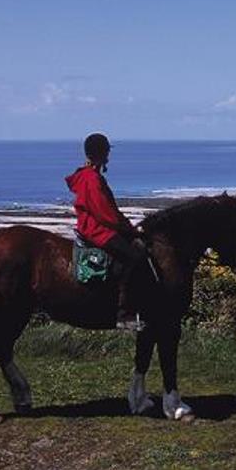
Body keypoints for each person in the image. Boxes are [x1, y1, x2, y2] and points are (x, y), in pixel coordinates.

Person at [65, 133, 146, 331]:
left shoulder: (87, 175)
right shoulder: (92, 179)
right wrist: (128, 229)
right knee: (134, 258)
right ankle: (124, 314)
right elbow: (105, 213)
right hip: (97, 230)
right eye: (107, 150)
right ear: (103, 152)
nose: (109, 154)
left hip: (95, 227)